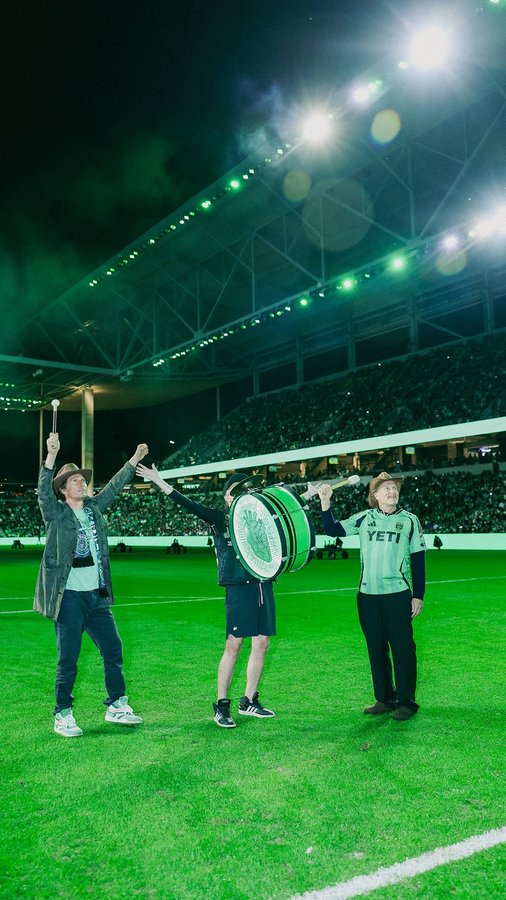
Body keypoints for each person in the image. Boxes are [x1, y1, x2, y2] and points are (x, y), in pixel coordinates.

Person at [136, 464, 276, 729]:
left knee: (262, 643)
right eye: (237, 490)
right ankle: (222, 705)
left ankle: (248, 701)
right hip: (238, 586)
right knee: (233, 645)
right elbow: (188, 503)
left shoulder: (259, 518)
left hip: (262, 583)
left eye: (247, 489)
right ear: (227, 497)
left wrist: (310, 495)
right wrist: (158, 480)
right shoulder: (219, 517)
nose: (244, 493)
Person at [34, 431, 149, 738]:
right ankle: (63, 714)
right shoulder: (56, 513)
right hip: (69, 598)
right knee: (68, 658)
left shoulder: (93, 509)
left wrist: (133, 461)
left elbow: (112, 487)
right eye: (74, 481)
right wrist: (51, 456)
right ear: (63, 489)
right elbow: (43, 494)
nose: (81, 483)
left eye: (82, 480)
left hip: (96, 597)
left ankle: (116, 705)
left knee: (113, 648)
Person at [318, 471, 426, 721]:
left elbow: (418, 557)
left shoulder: (410, 520)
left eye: (394, 488)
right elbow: (333, 529)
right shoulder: (364, 518)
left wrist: (418, 595)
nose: (392, 491)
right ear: (375, 495)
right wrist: (325, 502)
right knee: (376, 649)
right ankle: (385, 699)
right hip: (367, 596)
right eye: (385, 488)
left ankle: (407, 703)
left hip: (397, 594)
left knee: (402, 649)